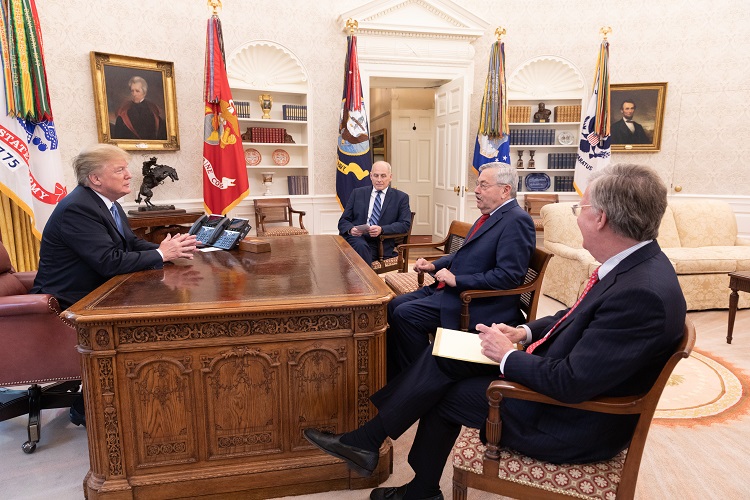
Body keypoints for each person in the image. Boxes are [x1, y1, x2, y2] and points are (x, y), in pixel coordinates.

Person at [304, 163, 686, 500]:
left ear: (600, 217)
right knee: (446, 353)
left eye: (580, 209)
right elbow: (575, 315)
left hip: (570, 421)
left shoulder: (642, 293)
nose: (577, 217)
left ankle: (405, 475)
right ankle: (371, 445)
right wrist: (522, 331)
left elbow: (571, 383)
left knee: (445, 391)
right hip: (553, 374)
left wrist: (507, 355)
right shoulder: (636, 266)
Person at [31, 144, 197, 426]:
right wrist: (159, 255)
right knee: (156, 320)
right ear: (95, 178)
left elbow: (129, 244)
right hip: (74, 303)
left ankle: (146, 396)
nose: (129, 176)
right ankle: (94, 407)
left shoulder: (107, 203)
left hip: (101, 291)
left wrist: (168, 249)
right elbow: (108, 261)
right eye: (119, 170)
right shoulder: (78, 209)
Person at [385, 162, 535, 380]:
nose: (476, 190)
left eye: (484, 185)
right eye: (478, 184)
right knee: (393, 304)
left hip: (476, 301)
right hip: (451, 291)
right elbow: (464, 254)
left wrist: (458, 280)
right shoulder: (490, 215)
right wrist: (434, 265)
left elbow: (509, 276)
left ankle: (416, 378)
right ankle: (397, 371)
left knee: (406, 315)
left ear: (505, 190)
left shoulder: (517, 221)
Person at [338, 161, 411, 264]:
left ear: (390, 177)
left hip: (380, 243)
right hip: (357, 238)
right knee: (359, 247)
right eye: (376, 176)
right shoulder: (357, 193)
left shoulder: (401, 198)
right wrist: (351, 229)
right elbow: (343, 221)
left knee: (357, 254)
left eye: (383, 176)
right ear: (371, 176)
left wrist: (382, 229)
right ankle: (368, 280)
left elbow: (405, 224)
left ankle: (359, 279)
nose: (379, 180)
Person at [111, 76, 167, 141]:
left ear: (144, 93)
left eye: (137, 91)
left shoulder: (153, 109)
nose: (134, 94)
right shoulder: (124, 110)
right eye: (132, 91)